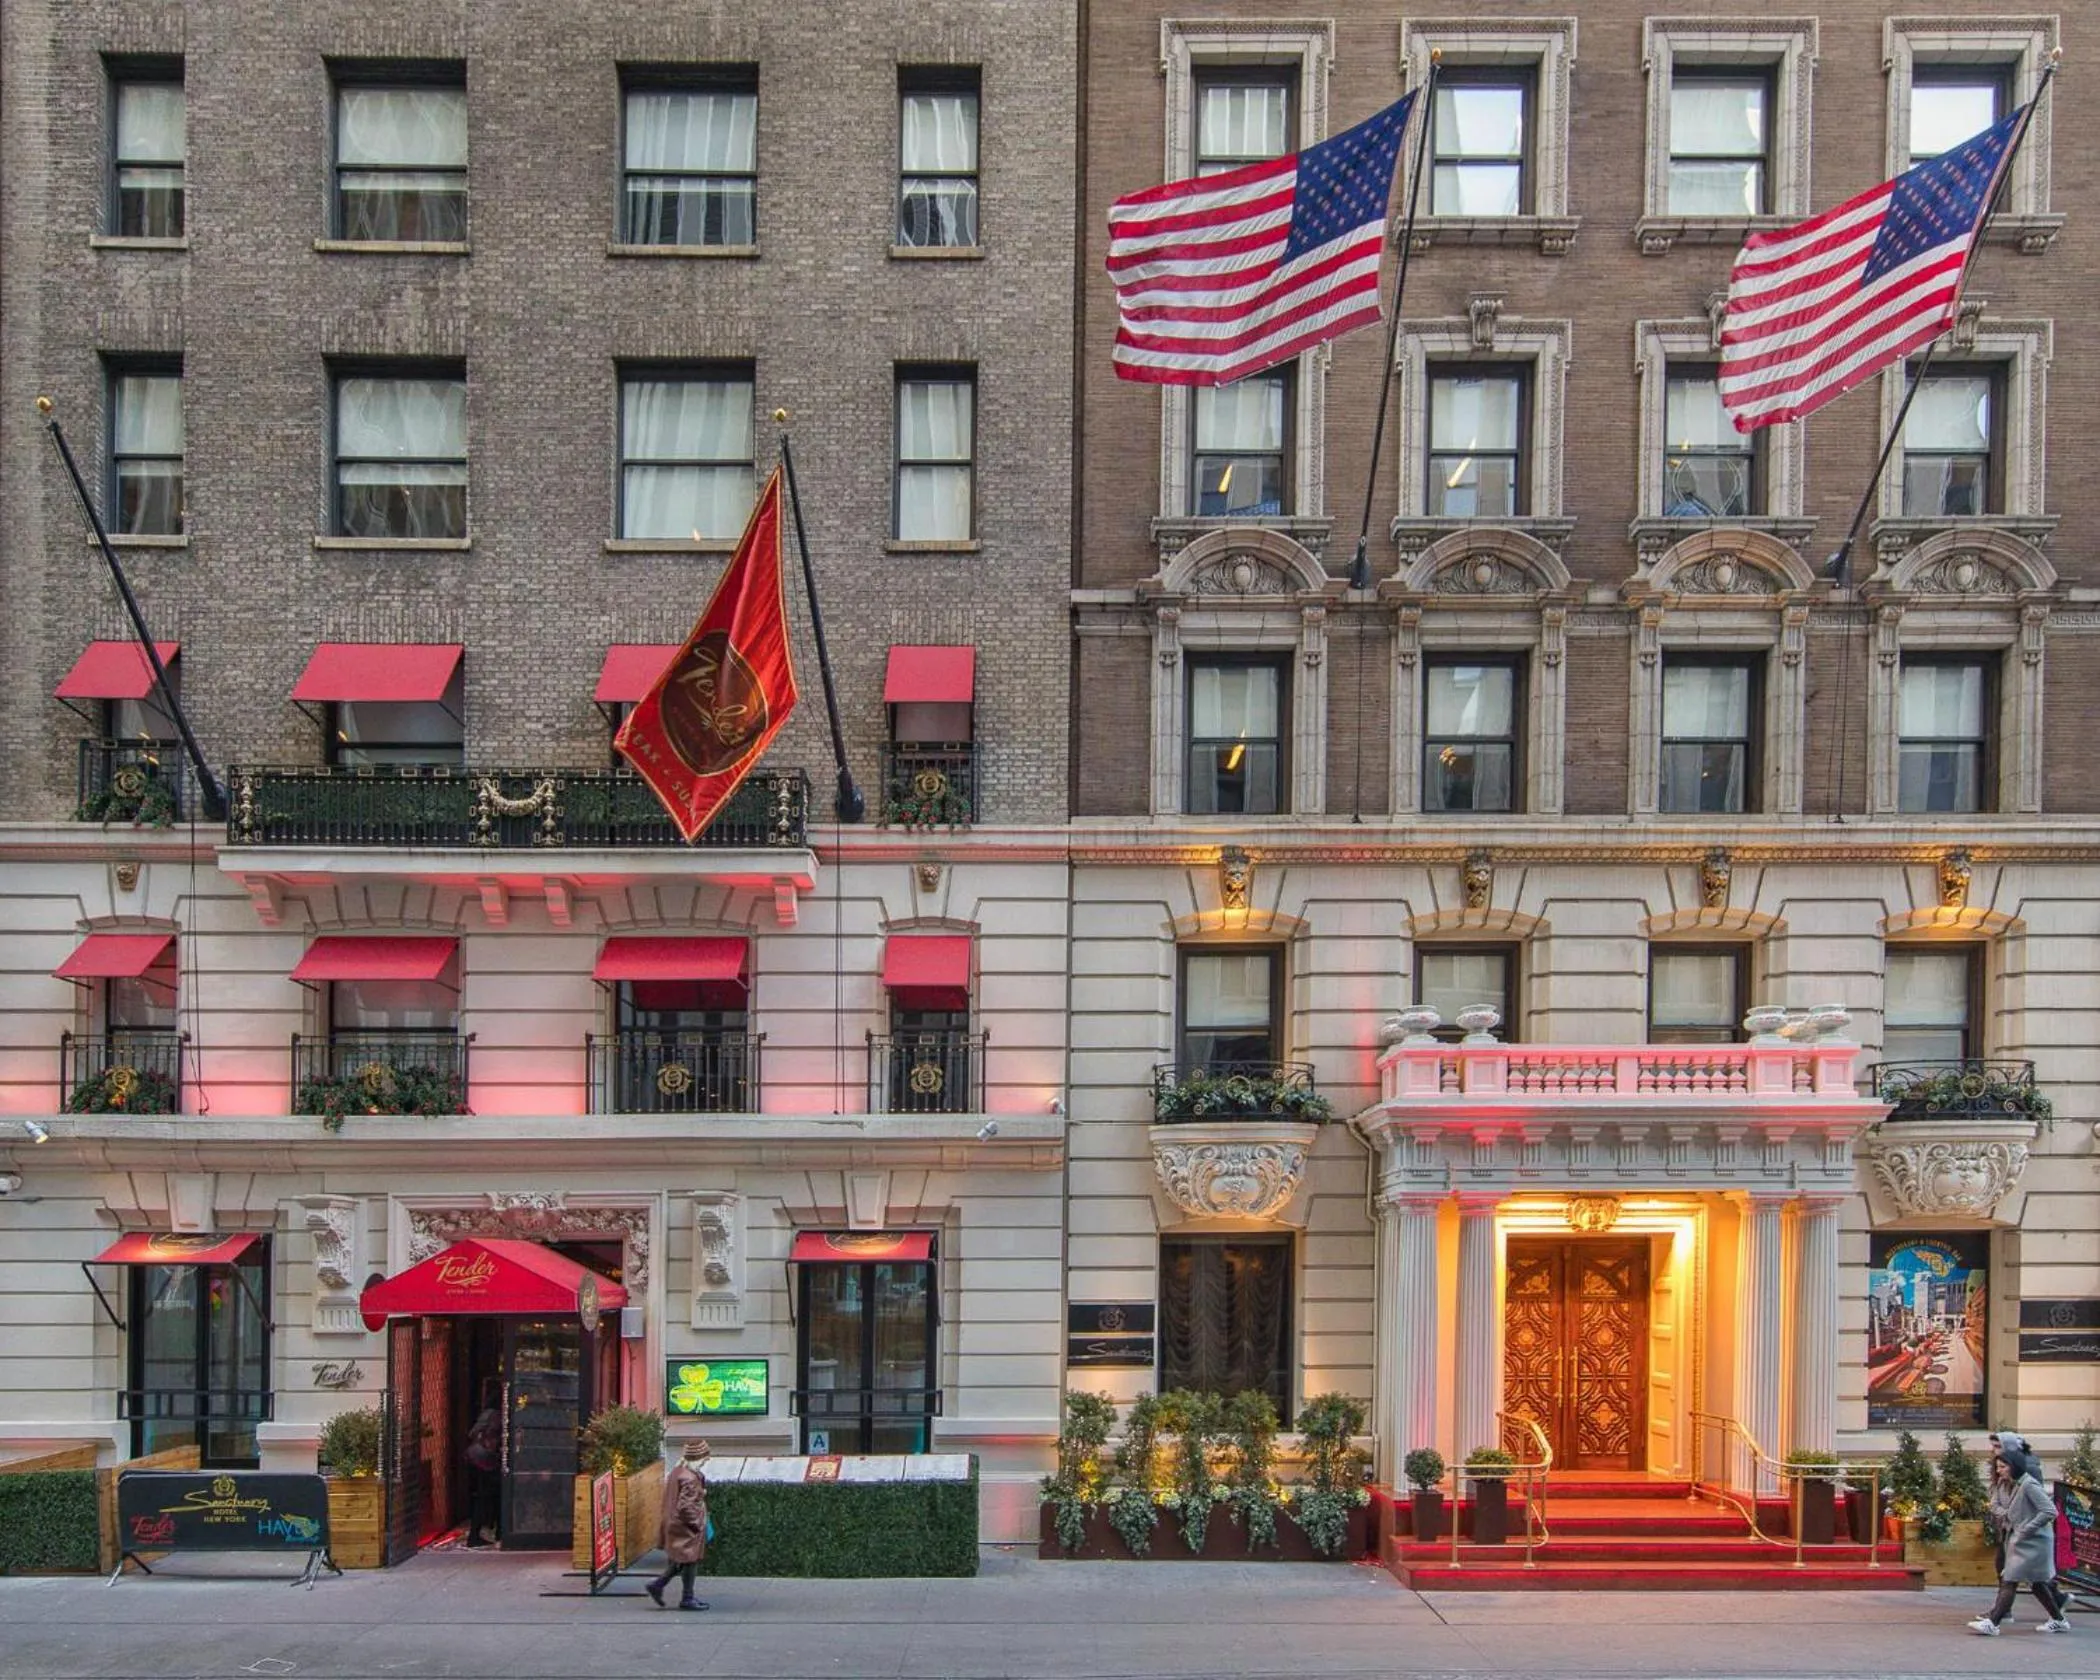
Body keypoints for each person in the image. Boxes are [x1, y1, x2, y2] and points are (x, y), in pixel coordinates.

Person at [1970, 1441, 2071, 1635]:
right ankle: (2058, 1620)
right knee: (2036, 1582)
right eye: (1997, 1467)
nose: (1999, 1471)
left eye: (2003, 1467)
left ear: (2014, 1466)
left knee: (2010, 1578)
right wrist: (2007, 1515)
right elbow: (1995, 1505)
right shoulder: (2004, 1484)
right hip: (2019, 1539)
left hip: (2035, 1541)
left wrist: (2026, 1528)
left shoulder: (2029, 1485)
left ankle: (1993, 1622)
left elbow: (2050, 1511)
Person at [646, 1439, 710, 1612]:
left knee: (681, 1560)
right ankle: (686, 1597)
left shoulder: (677, 1472)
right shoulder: (690, 1478)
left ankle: (659, 1586)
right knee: (690, 1560)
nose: (707, 1459)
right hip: (685, 1527)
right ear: (698, 1457)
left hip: (673, 1523)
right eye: (705, 1456)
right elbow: (686, 1506)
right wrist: (697, 1524)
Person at [463, 1381, 503, 1548]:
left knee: (487, 1496)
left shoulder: (487, 1414)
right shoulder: (495, 1415)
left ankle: (483, 1532)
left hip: (480, 1459)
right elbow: (487, 1433)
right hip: (486, 1459)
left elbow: (472, 1433)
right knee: (490, 1495)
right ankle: (480, 1534)